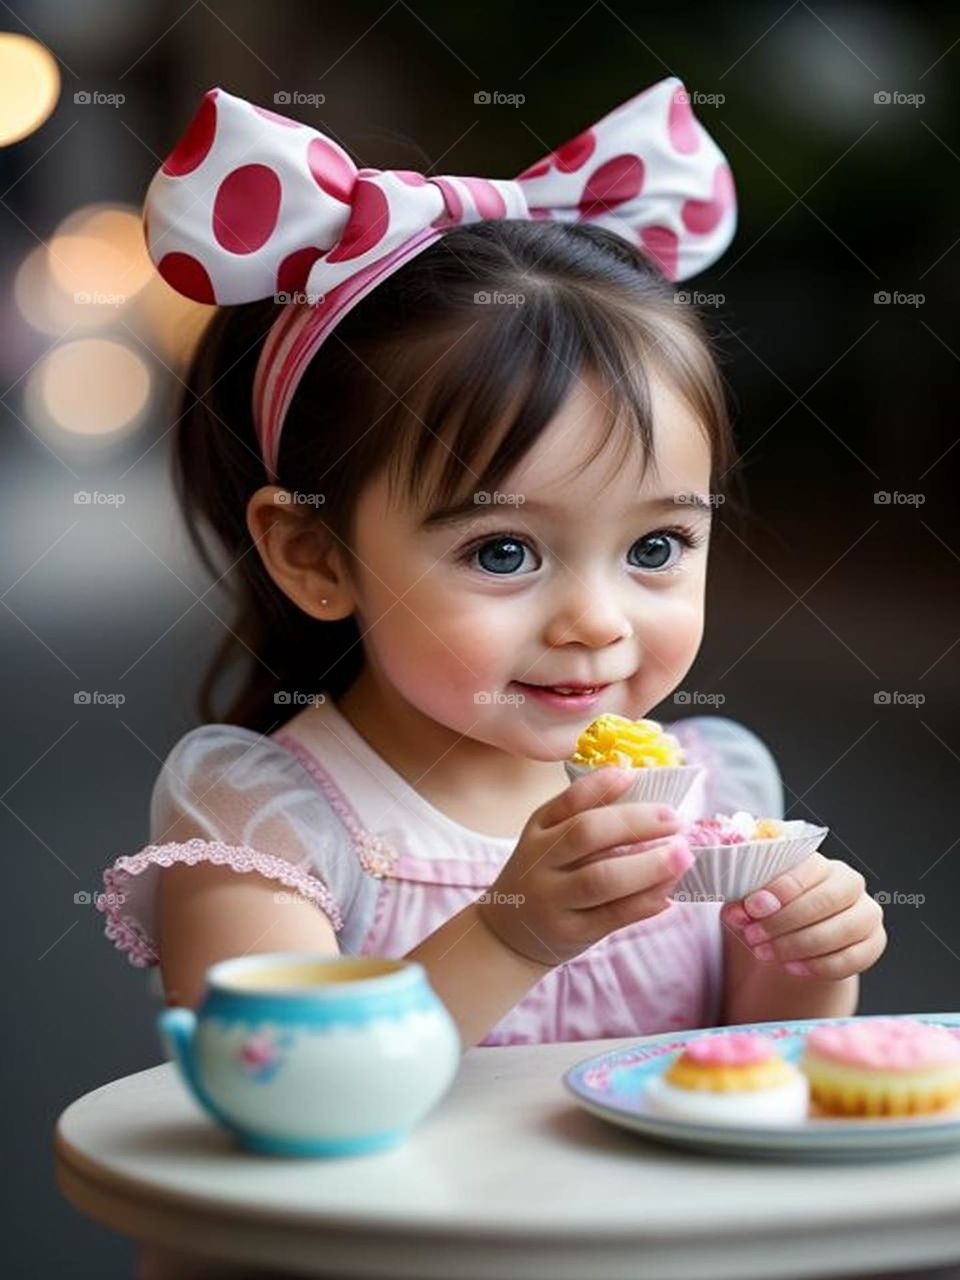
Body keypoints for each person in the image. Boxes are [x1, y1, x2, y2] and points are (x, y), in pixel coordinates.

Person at [96, 78, 889, 1280]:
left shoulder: (712, 787)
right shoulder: (264, 821)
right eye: (503, 551)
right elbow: (284, 1104)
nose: (597, 620)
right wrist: (512, 930)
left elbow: (750, 1094)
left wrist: (806, 968)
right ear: (315, 552)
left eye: (658, 546)